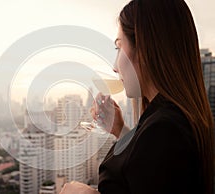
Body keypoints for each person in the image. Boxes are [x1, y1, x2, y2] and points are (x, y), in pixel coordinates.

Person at [60, 0, 214, 193]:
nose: (115, 67)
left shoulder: (165, 129)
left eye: (119, 47)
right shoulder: (171, 119)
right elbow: (146, 169)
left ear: (145, 49)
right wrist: (121, 131)